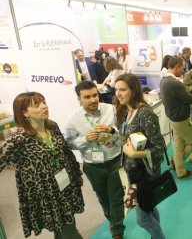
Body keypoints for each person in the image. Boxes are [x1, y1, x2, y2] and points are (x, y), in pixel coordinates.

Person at [0, 92, 84, 238]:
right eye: (37, 105)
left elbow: (66, 152)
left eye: (44, 102)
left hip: (65, 183)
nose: (44, 106)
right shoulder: (19, 138)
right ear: (24, 112)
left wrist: (77, 173)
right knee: (68, 229)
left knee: (64, 224)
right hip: (45, 192)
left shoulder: (52, 126)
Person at [66, 81, 125, 239]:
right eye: (87, 97)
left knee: (117, 198)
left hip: (115, 161)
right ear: (79, 99)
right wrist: (85, 139)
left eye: (94, 95)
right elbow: (69, 143)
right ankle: (112, 220)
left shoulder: (111, 110)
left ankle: (117, 230)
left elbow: (123, 132)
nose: (93, 100)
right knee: (103, 198)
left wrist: (112, 134)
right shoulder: (73, 119)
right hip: (92, 166)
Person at [114, 74, 166, 239]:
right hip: (133, 171)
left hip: (146, 173)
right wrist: (112, 139)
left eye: (123, 89)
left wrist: (136, 154)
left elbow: (159, 147)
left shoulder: (144, 113)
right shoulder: (126, 110)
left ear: (133, 90)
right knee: (149, 206)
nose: (118, 94)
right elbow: (128, 140)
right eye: (116, 90)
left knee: (142, 219)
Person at [160, 56, 192, 180]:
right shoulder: (175, 83)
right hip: (181, 119)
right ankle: (178, 164)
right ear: (176, 67)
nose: (183, 70)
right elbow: (190, 99)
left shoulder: (164, 79)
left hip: (174, 118)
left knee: (178, 146)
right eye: (182, 68)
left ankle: (180, 171)